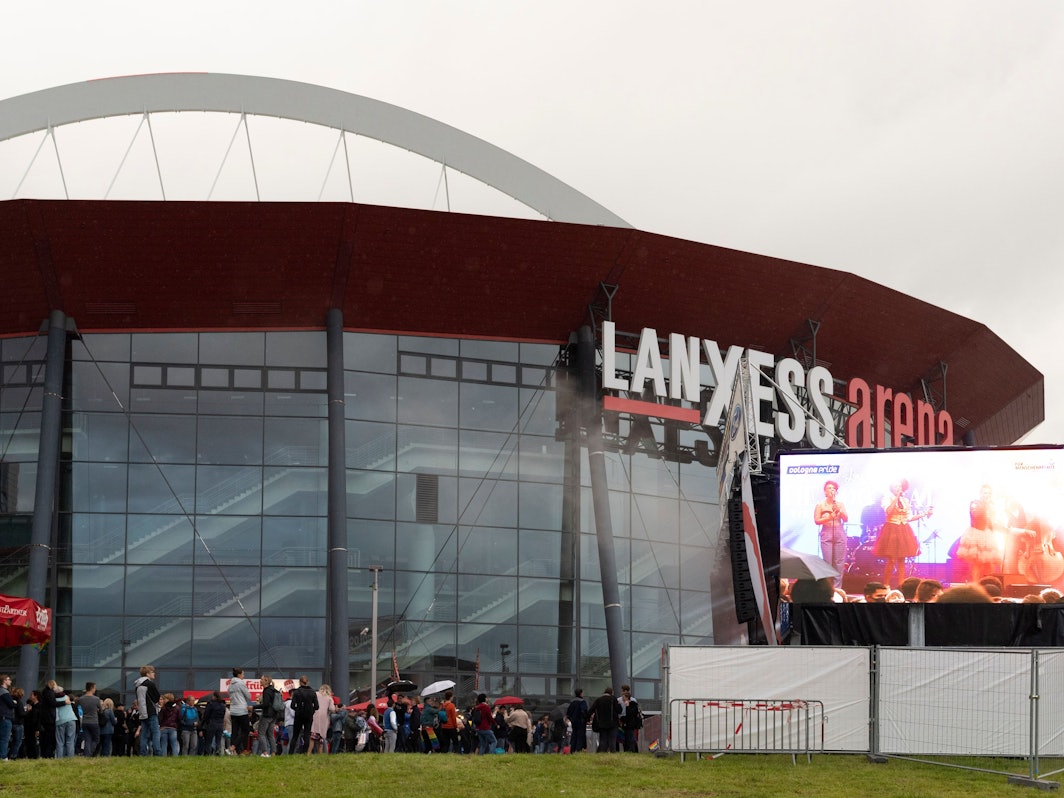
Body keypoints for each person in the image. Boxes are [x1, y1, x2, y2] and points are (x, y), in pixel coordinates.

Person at [873, 479, 927, 588]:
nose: (898, 488)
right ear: (892, 488)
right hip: (892, 529)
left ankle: (901, 586)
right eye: (896, 486)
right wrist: (896, 497)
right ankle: (886, 585)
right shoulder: (887, 498)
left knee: (902, 559)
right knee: (892, 559)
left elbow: (909, 517)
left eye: (900, 486)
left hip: (903, 529)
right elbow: (888, 511)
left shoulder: (905, 500)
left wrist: (924, 514)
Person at [956, 495, 1002, 584]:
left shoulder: (987, 519)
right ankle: (976, 584)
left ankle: (989, 584)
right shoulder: (973, 519)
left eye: (975, 508)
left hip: (986, 540)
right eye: (971, 508)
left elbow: (991, 529)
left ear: (980, 509)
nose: (972, 510)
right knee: (976, 565)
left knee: (988, 565)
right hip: (974, 540)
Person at [813, 480, 848, 584]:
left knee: (839, 562)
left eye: (834, 488)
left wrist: (840, 511)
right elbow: (817, 521)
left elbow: (846, 519)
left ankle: (837, 588)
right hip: (826, 531)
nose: (832, 490)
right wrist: (829, 517)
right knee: (827, 561)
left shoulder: (840, 504)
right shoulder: (820, 505)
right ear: (825, 491)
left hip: (839, 531)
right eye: (829, 488)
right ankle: (828, 587)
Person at [134, 665, 161, 756]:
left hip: (142, 713)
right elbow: (157, 698)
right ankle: (157, 752)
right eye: (152, 672)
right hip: (151, 711)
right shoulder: (150, 684)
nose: (154, 674)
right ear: (147, 674)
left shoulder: (137, 685)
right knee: (155, 733)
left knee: (144, 734)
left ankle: (143, 752)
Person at [288, 675, 318, 755]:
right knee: (307, 734)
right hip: (308, 716)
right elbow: (316, 706)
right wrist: (311, 710)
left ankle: (291, 753)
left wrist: (298, 709)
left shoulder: (297, 692)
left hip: (299, 715)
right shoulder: (312, 692)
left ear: (300, 682)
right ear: (308, 682)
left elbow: (292, 705)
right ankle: (305, 752)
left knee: (295, 735)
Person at [226, 667, 251, 755]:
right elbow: (248, 696)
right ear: (239, 675)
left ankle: (233, 751)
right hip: (241, 709)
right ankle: (233, 747)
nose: (243, 676)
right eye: (243, 674)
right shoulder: (241, 683)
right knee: (246, 730)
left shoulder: (230, 685)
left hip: (233, 710)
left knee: (235, 731)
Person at [588, 686, 621, 753]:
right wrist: (619, 705)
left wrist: (588, 719)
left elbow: (591, 710)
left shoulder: (599, 700)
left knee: (603, 739)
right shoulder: (613, 699)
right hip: (613, 723)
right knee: (612, 740)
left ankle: (602, 752)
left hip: (601, 723)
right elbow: (619, 710)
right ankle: (613, 752)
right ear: (612, 692)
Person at [50, 682, 77, 758]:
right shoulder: (66, 697)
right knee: (70, 741)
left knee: (60, 741)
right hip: (71, 719)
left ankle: (59, 758)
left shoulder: (54, 700)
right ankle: (70, 758)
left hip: (60, 721)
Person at [76, 682, 103, 756]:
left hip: (84, 721)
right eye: (94, 688)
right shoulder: (96, 699)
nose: (95, 689)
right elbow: (101, 711)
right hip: (94, 721)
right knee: (96, 739)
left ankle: (87, 754)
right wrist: (97, 710)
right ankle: (90, 751)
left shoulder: (81, 699)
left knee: (87, 739)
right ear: (92, 688)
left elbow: (77, 708)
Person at [255, 674, 279, 757]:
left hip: (266, 715)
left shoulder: (266, 691)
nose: (260, 681)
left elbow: (265, 704)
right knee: (270, 735)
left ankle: (265, 752)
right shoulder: (274, 690)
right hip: (274, 715)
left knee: (261, 733)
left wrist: (254, 707)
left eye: (262, 679)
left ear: (266, 681)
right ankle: (273, 753)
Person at [309, 684, 332, 754]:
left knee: (312, 738)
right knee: (321, 740)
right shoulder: (329, 698)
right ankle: (320, 754)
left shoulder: (316, 694)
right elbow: (332, 708)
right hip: (323, 720)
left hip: (315, 718)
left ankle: (308, 753)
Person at [619, 685, 642, 753]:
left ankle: (631, 750)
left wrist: (627, 706)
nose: (622, 699)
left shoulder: (631, 703)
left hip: (629, 723)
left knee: (630, 737)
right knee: (627, 737)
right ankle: (629, 750)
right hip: (626, 722)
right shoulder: (633, 701)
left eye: (623, 697)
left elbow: (630, 714)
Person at [566, 688, 588, 753]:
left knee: (574, 735)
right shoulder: (582, 702)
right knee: (580, 736)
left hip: (574, 722)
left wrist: (571, 719)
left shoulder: (572, 702)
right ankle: (578, 750)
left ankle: (572, 750)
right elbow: (584, 711)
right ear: (581, 693)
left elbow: (568, 713)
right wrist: (586, 719)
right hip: (581, 722)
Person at [9, 687, 26, 760]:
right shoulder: (19, 702)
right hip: (18, 724)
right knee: (18, 741)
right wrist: (28, 711)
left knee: (13, 741)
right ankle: (13, 755)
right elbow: (21, 714)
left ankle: (10, 755)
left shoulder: (12, 700)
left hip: (12, 723)